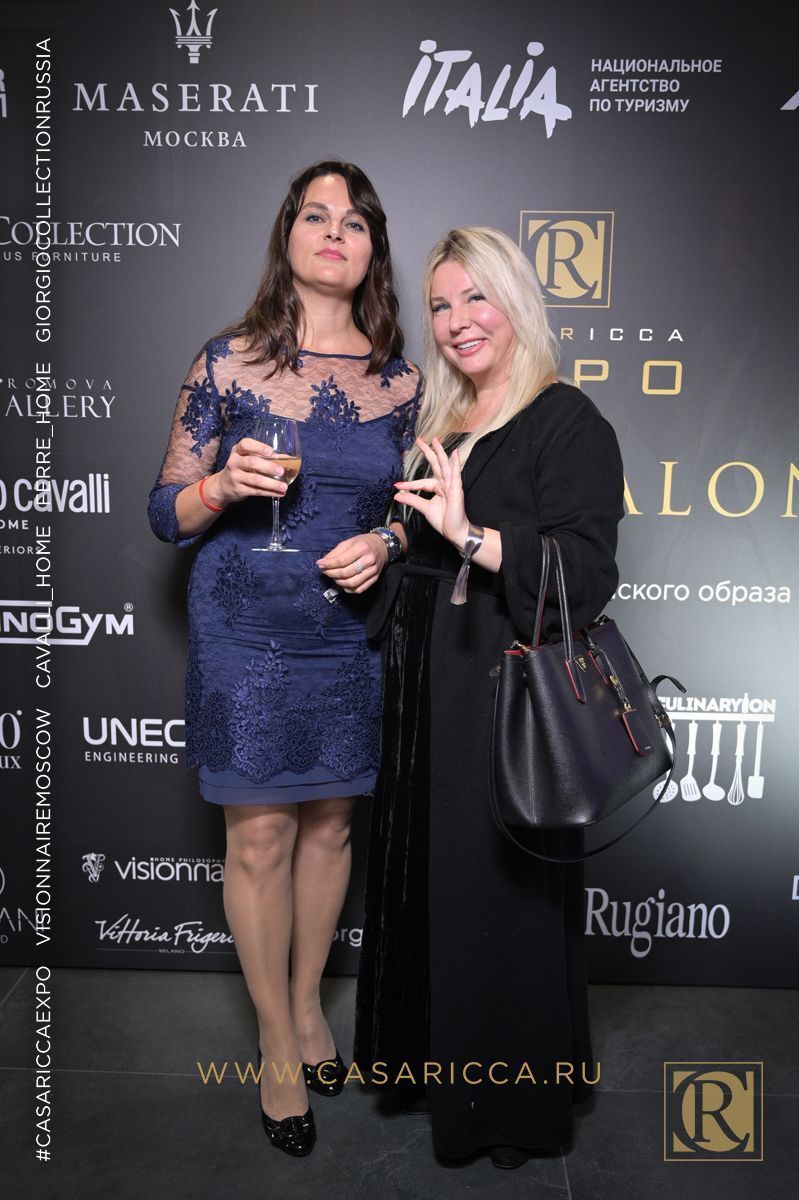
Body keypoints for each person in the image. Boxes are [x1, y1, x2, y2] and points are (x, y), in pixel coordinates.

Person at [148, 161, 420, 1157]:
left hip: (345, 633)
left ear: (371, 248)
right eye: (316, 215)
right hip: (243, 630)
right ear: (289, 236)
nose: (334, 232)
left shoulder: (404, 381)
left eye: (354, 221)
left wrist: (385, 542)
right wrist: (222, 486)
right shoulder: (226, 362)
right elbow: (165, 512)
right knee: (259, 838)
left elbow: (417, 517)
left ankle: (308, 1005)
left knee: (332, 827)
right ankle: (275, 1042)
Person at [354, 227, 624, 1168]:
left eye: (476, 296)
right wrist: (384, 545)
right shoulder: (444, 416)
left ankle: (507, 1108)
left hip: (503, 701)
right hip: (427, 689)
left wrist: (474, 536)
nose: (456, 320)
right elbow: (420, 532)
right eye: (440, 304)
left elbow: (584, 574)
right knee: (432, 886)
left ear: (516, 302)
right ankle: (432, 1068)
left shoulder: (566, 420)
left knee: (499, 901)